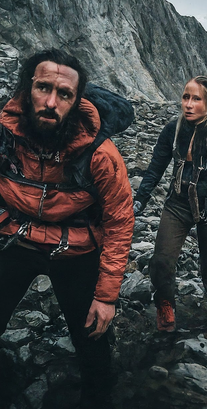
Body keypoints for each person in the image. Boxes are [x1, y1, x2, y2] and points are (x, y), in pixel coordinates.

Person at [0, 49, 134, 408]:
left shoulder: (100, 154)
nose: (50, 102)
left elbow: (119, 221)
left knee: (92, 337)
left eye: (64, 94)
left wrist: (106, 297)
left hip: (75, 248)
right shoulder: (4, 135)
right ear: (26, 89)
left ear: (76, 102)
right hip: (17, 237)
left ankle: (97, 397)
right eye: (43, 88)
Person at [133, 76, 207, 335]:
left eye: (196, 98)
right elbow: (156, 167)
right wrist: (140, 198)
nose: (188, 104)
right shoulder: (173, 130)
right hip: (178, 204)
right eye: (186, 97)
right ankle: (165, 304)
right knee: (161, 261)